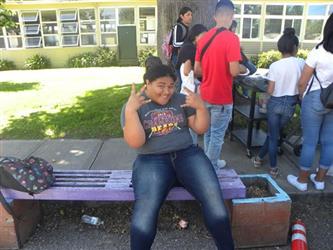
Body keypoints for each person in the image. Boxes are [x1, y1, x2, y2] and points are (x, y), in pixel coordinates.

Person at [121, 64, 235, 250]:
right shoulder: (134, 105)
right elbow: (136, 142)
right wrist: (130, 112)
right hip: (151, 161)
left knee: (214, 200)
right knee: (145, 212)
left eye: (171, 85)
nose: (167, 91)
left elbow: (200, 128)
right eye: (161, 85)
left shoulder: (181, 100)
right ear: (147, 83)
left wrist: (201, 108)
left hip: (187, 155)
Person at [194, 0, 246, 170]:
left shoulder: (203, 39)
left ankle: (211, 162)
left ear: (215, 16)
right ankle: (210, 170)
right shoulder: (232, 38)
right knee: (216, 135)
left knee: (209, 131)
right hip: (221, 96)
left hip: (205, 94)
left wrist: (212, 68)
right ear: (231, 16)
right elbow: (233, 71)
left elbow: (197, 70)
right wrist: (243, 68)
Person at [287, 14, 333, 191]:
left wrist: (301, 96)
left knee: (310, 142)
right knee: (330, 142)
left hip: (315, 98)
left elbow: (302, 81)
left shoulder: (319, 52)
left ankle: (302, 181)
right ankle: (320, 180)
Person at [253, 28, 305, 178]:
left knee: (273, 135)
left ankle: (273, 167)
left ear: (280, 48)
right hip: (290, 104)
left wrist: (263, 98)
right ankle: (258, 159)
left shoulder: (275, 66)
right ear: (295, 47)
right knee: (273, 135)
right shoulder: (301, 63)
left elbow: (270, 90)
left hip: (274, 103)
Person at [176, 24, 208, 144]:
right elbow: (186, 70)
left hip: (187, 92)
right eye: (203, 36)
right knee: (191, 122)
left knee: (190, 123)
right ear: (195, 36)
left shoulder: (188, 47)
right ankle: (191, 147)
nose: (205, 39)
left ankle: (191, 146)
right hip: (190, 93)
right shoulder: (190, 49)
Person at [170, 6, 193, 92]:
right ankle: (175, 101)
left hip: (184, 58)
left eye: (191, 15)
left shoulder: (187, 28)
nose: (190, 17)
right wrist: (188, 45)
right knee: (179, 81)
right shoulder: (178, 27)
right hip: (177, 57)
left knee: (185, 81)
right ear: (181, 16)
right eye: (188, 14)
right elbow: (175, 43)